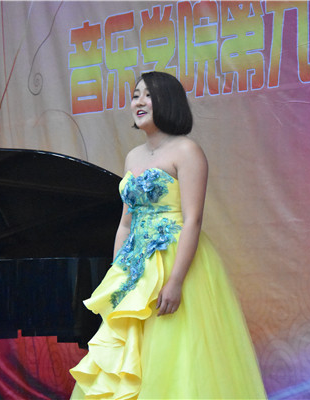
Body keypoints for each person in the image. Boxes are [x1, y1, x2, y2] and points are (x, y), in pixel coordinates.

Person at [70, 71, 267, 399]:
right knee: (128, 354)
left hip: (175, 261)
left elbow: (193, 220)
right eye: (136, 95)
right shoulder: (133, 156)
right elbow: (125, 224)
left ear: (169, 101)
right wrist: (118, 274)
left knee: (175, 351)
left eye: (148, 95)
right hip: (136, 266)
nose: (139, 101)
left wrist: (175, 281)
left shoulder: (187, 151)